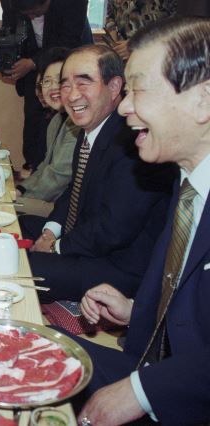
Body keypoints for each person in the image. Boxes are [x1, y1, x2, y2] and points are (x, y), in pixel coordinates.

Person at [75, 16, 210, 425]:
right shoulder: (187, 183)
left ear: (203, 100)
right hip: (153, 367)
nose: (124, 106)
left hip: (184, 396)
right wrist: (136, 310)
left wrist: (142, 392)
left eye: (138, 89)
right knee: (12, 336)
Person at [18, 44, 175, 303]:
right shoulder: (91, 128)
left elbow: (114, 228)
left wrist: (56, 247)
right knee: (18, 225)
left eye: (84, 83)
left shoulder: (134, 141)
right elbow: (74, 190)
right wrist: (50, 232)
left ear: (114, 87)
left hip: (118, 265)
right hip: (86, 237)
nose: (71, 95)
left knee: (21, 268)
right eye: (66, 85)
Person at [0, 0, 92, 172]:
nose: (31, 17)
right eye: (26, 14)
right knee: (34, 123)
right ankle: (34, 168)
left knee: (68, 121)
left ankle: (60, 172)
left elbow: (69, 39)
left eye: (35, 12)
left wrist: (33, 62)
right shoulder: (10, 2)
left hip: (68, 60)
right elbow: (9, 29)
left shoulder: (72, 4)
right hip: (31, 66)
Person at [16, 47, 79, 217]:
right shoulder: (57, 120)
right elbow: (45, 166)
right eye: (47, 81)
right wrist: (21, 189)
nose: (53, 87)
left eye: (59, 80)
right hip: (50, 200)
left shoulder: (77, 124)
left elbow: (57, 177)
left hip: (63, 209)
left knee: (1, 210)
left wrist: (19, 199)